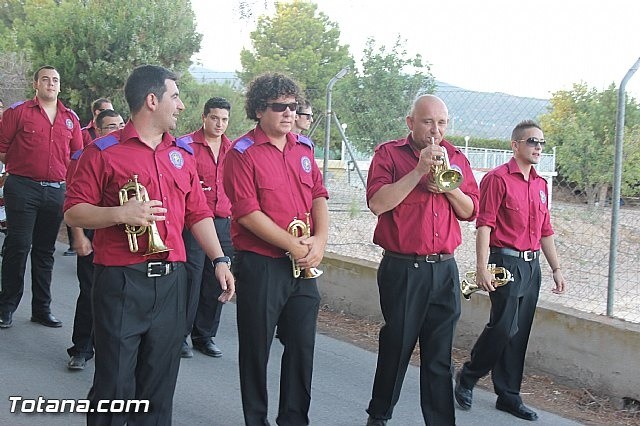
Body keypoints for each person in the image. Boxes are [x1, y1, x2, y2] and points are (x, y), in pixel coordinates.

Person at [64, 64, 235, 426]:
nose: (182, 105)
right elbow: (75, 213)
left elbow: (198, 213)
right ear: (152, 100)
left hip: (172, 283)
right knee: (114, 386)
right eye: (175, 96)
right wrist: (119, 213)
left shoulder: (182, 155)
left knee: (158, 389)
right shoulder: (102, 152)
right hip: (121, 281)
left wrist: (219, 258)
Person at [364, 94, 479, 426]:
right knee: (397, 347)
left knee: (439, 357)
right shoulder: (389, 154)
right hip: (403, 268)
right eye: (428, 122)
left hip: (444, 268)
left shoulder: (456, 156)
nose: (435, 131)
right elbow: (377, 203)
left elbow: (470, 210)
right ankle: (379, 416)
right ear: (410, 122)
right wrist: (417, 171)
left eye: (441, 123)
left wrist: (447, 188)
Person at [223, 72, 329, 426]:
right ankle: (256, 420)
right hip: (262, 264)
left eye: (293, 106)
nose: (288, 113)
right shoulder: (242, 153)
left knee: (302, 348)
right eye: (279, 106)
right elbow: (248, 214)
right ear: (258, 110)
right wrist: (294, 246)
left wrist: (320, 241)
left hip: (302, 267)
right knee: (256, 349)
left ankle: (294, 419)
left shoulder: (304, 148)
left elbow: (318, 196)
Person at [454, 119, 566, 422]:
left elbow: (546, 230)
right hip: (505, 262)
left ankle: (508, 395)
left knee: (519, 332)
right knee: (504, 326)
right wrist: (482, 267)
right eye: (532, 142)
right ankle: (468, 375)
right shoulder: (497, 179)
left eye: (541, 143)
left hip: (532, 266)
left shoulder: (541, 185)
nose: (538, 147)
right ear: (515, 145)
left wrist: (555, 268)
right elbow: (484, 225)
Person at [0, 65, 83, 329]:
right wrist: (22, 167)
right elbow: (2, 149)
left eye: (55, 80)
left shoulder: (71, 119)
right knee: (19, 245)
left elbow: (77, 157)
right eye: (45, 79)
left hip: (55, 190)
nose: (50, 83)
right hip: (23, 187)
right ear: (36, 84)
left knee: (45, 252)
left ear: (60, 86)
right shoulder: (18, 113)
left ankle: (41, 309)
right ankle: (7, 307)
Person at [65, 109, 124, 371]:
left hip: (116, 234)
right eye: (111, 127)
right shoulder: (84, 156)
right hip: (90, 230)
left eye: (121, 125)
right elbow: (73, 203)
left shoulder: (127, 154)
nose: (117, 130)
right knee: (89, 293)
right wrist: (78, 237)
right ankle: (81, 348)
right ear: (97, 131)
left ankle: (110, 352)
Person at [178, 97, 234, 359]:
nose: (219, 123)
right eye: (214, 118)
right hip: (194, 223)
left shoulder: (233, 150)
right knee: (191, 277)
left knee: (216, 279)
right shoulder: (186, 146)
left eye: (224, 119)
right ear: (204, 117)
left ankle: (205, 335)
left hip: (223, 222)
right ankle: (180, 335)